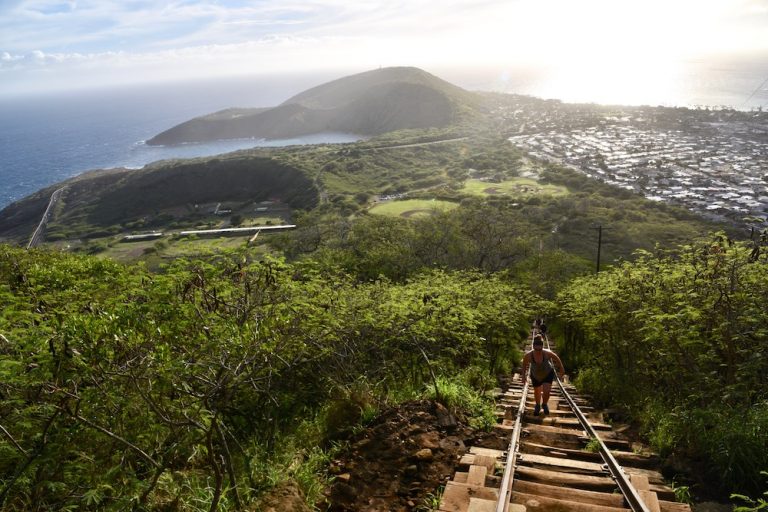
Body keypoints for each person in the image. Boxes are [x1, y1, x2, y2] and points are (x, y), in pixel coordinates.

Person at [521, 335, 565, 416]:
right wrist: (523, 376)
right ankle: (537, 405)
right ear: (533, 346)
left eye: (540, 349)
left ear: (542, 347)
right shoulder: (529, 355)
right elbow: (524, 365)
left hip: (547, 373)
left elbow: (556, 358)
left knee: (547, 391)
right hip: (535, 375)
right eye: (536, 349)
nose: (538, 351)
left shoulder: (547, 353)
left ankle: (544, 404)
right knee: (537, 391)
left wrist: (561, 369)